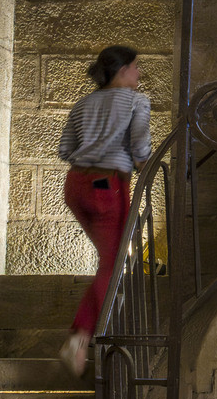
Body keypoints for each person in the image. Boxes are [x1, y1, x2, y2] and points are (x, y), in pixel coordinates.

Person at [56, 45, 151, 377]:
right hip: (107, 186)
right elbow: (140, 149)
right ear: (122, 70)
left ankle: (105, 307)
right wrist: (144, 165)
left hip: (75, 185)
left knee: (108, 264)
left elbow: (65, 149)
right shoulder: (137, 102)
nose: (139, 74)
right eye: (136, 67)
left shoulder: (83, 104)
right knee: (112, 266)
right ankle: (80, 337)